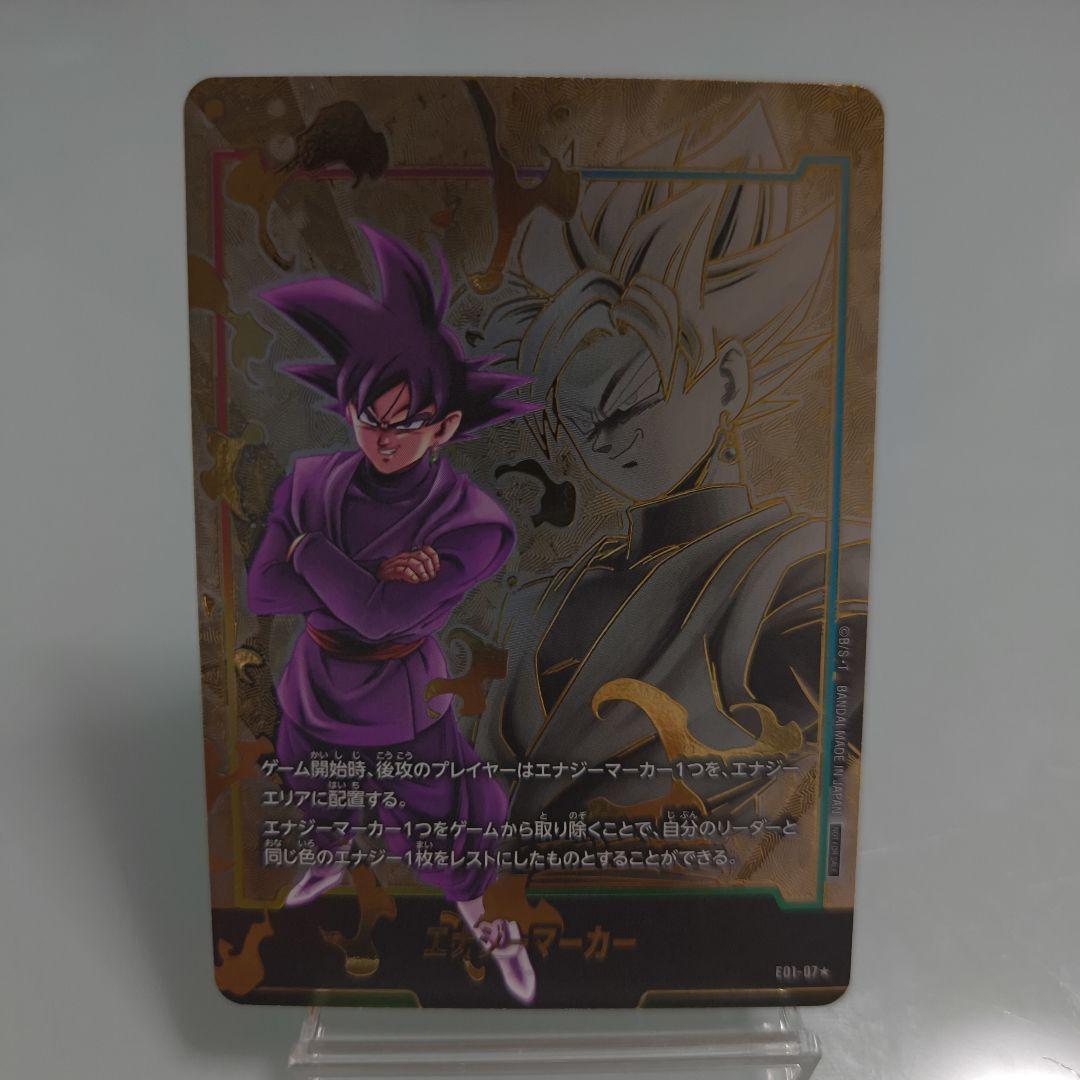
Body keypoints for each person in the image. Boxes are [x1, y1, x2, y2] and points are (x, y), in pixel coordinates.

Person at [247, 225, 538, 1003]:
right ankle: (331, 855)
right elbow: (263, 591)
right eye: (370, 417)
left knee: (444, 834)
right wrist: (352, 569)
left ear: (445, 427)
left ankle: (495, 932)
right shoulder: (310, 481)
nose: (384, 438)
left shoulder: (471, 522)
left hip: (402, 700)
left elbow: (379, 620)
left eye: (407, 422)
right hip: (314, 685)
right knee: (316, 790)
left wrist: (309, 552)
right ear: (348, 409)